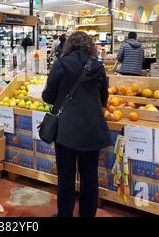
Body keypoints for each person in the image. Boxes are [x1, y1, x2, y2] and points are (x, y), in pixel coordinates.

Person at [42, 31, 111, 218]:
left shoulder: (61, 64)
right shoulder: (98, 66)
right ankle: (87, 214)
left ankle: (65, 214)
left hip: (66, 130)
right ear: (90, 46)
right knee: (90, 176)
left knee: (66, 175)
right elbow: (104, 97)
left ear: (69, 45)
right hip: (92, 128)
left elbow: (48, 96)